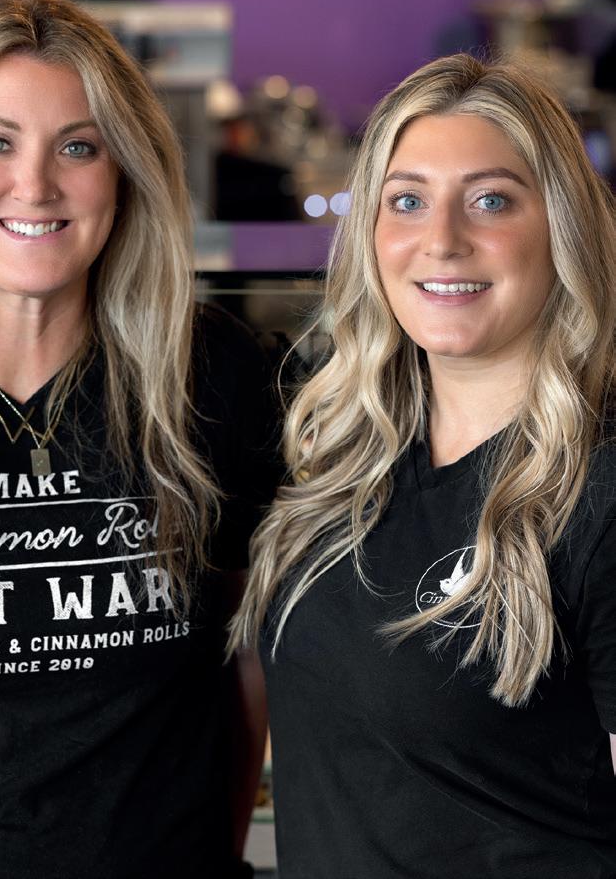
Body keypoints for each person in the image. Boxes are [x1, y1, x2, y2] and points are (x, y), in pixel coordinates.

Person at [0, 0, 277, 877]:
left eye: (78, 146)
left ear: (123, 175)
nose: (35, 185)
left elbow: (253, 652)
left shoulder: (212, 374)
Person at [231, 53, 616, 877]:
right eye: (407, 200)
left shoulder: (601, 489)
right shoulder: (346, 462)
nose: (442, 240)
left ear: (562, 226)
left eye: (491, 200)